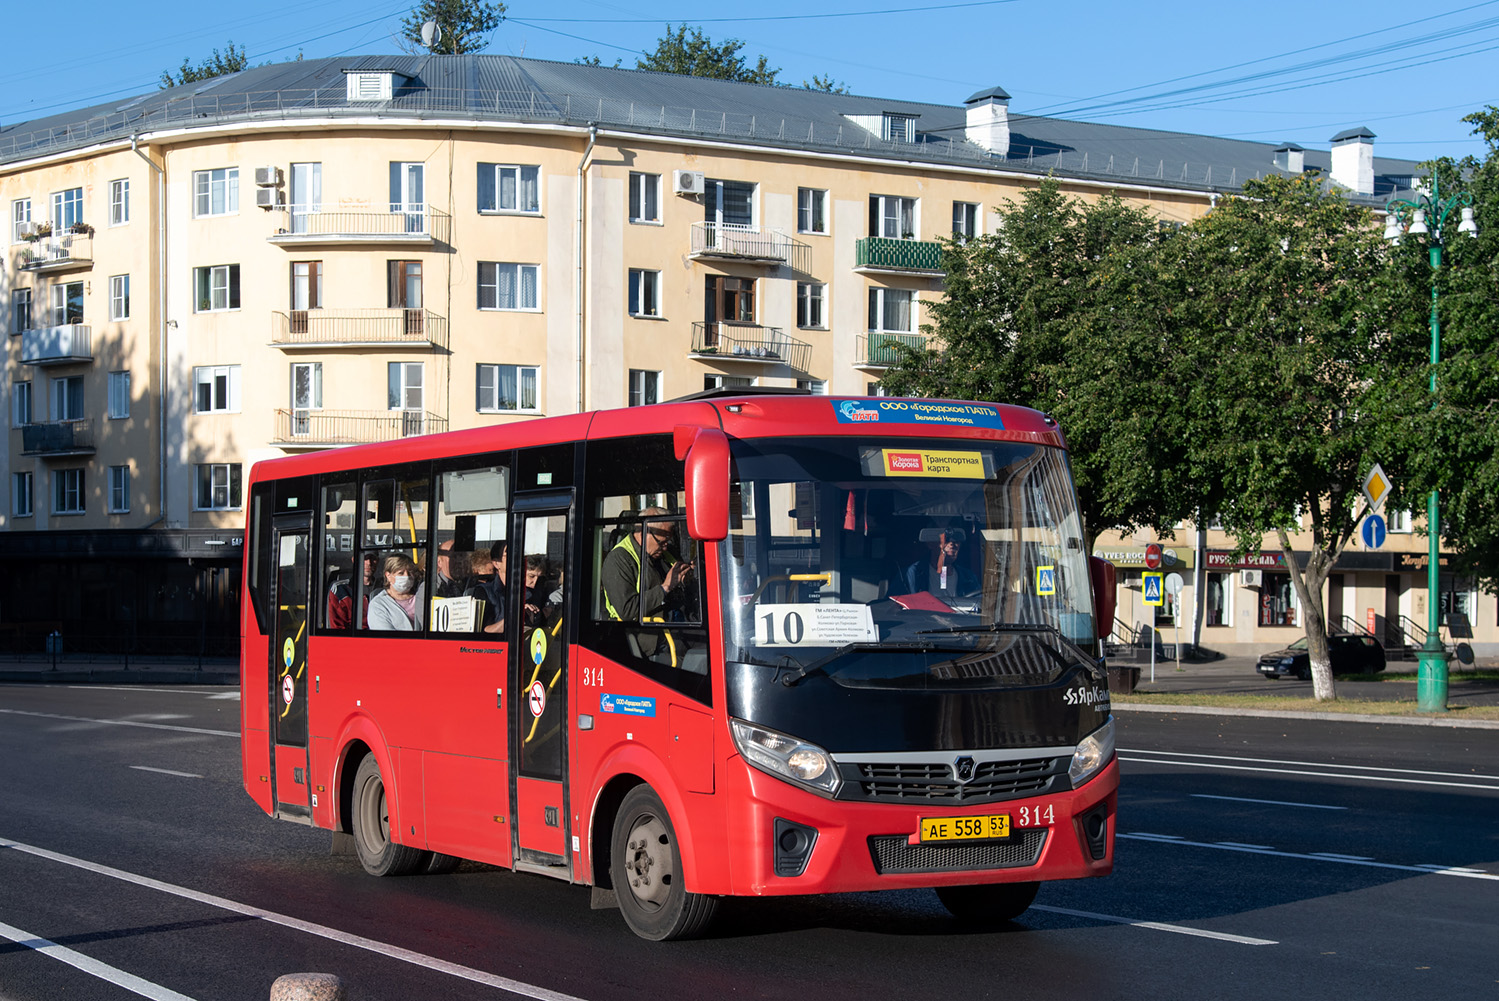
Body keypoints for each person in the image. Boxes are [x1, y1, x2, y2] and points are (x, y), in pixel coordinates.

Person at [601, 508, 694, 624]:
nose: (665, 547)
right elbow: (628, 610)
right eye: (661, 542)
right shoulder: (618, 559)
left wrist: (687, 577)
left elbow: (681, 582)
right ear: (644, 532)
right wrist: (665, 588)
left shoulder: (667, 552)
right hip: (648, 634)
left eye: (668, 541)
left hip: (681, 618)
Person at [903, 527, 980, 599]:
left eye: (956, 541)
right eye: (946, 540)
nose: (951, 545)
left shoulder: (968, 577)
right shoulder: (914, 573)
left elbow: (980, 604)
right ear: (930, 544)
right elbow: (896, 605)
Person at [366, 554, 425, 630]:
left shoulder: (421, 597)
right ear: (388, 576)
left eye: (410, 573)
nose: (406, 576)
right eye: (401, 573)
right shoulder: (378, 604)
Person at [328, 553, 379, 630]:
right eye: (365, 558)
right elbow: (337, 629)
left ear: (377, 561)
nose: (369, 563)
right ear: (354, 560)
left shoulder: (385, 590)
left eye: (373, 558)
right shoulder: (340, 590)